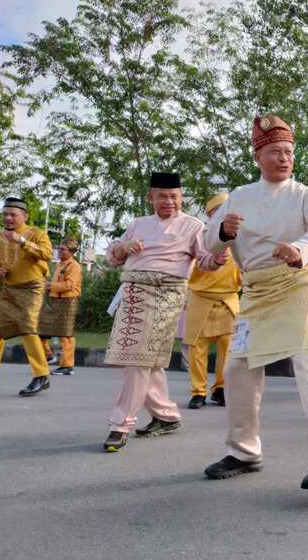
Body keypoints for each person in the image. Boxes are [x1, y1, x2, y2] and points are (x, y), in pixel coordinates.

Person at [202, 115, 308, 490]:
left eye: (288, 152)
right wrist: (223, 231)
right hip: (255, 292)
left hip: (297, 284)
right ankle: (245, 450)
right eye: (275, 152)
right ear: (258, 156)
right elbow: (208, 243)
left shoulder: (306, 195)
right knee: (236, 368)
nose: (284, 159)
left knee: (307, 360)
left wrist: (300, 249)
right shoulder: (238, 196)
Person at [102, 172, 227, 452]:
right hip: (133, 293)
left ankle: (120, 424)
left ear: (181, 197)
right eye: (162, 196)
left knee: (138, 359)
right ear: (151, 198)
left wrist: (216, 260)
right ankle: (166, 416)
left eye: (174, 196)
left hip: (167, 295)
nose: (169, 201)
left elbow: (204, 259)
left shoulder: (193, 226)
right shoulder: (137, 224)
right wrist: (124, 246)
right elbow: (113, 256)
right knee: (147, 361)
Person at [183, 193, 242, 409]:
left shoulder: (239, 237)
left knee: (228, 348)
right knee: (197, 348)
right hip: (201, 297)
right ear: (210, 214)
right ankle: (198, 391)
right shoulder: (200, 235)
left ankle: (221, 388)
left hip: (229, 299)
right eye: (220, 210)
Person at [0, 197, 53, 395]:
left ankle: (41, 375)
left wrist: (22, 241)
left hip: (32, 287)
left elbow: (47, 254)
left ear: (25, 216)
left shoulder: (36, 233)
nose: (8, 218)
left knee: (27, 327)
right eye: (5, 214)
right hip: (9, 289)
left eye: (13, 214)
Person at [39, 238, 83, 376]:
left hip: (68, 302)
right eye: (59, 248)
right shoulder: (60, 264)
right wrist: (47, 287)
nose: (59, 251)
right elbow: (56, 283)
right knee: (40, 329)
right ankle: (47, 355)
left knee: (66, 335)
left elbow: (69, 286)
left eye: (63, 249)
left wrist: (48, 285)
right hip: (54, 301)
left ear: (71, 252)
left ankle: (67, 366)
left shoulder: (74, 266)